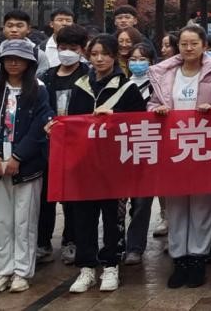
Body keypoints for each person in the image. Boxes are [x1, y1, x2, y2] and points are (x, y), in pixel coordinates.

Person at [147, 25, 211, 288]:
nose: (188, 48)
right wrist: (157, 110)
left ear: (204, 46)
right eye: (184, 43)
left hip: (203, 147)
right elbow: (151, 104)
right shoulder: (165, 73)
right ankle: (179, 259)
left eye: (194, 43)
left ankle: (198, 259)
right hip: (173, 149)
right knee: (176, 207)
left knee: (202, 205)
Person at [64, 34, 146, 294]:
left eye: (105, 54)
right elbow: (72, 121)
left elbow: (139, 122)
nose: (99, 59)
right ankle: (87, 267)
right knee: (83, 216)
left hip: (114, 163)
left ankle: (111, 265)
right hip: (84, 162)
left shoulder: (128, 88)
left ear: (115, 56)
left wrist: (115, 116)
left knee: (113, 216)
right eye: (94, 54)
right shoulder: (80, 86)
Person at [0, 39, 53, 294]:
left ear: (29, 63)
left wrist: (18, 157)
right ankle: (1, 270)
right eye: (8, 58)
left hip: (26, 165)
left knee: (24, 220)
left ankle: (21, 270)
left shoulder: (38, 90)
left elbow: (40, 127)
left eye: (19, 59)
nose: (13, 63)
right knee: (0, 219)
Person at [36, 24, 89, 264]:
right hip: (49, 146)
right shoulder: (46, 77)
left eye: (73, 48)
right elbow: (39, 107)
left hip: (78, 146)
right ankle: (42, 241)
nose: (67, 52)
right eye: (63, 47)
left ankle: (71, 240)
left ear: (82, 49)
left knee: (73, 197)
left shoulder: (88, 76)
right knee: (46, 196)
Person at [120, 40, 158, 262]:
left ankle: (135, 246)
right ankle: (117, 243)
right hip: (123, 148)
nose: (137, 63)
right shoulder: (121, 84)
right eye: (133, 59)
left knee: (142, 201)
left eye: (142, 59)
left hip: (148, 147)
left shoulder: (158, 86)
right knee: (119, 200)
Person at [0, 10, 49, 78]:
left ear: (28, 29)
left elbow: (44, 80)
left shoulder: (39, 55)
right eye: (9, 26)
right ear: (3, 28)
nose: (14, 30)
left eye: (19, 26)